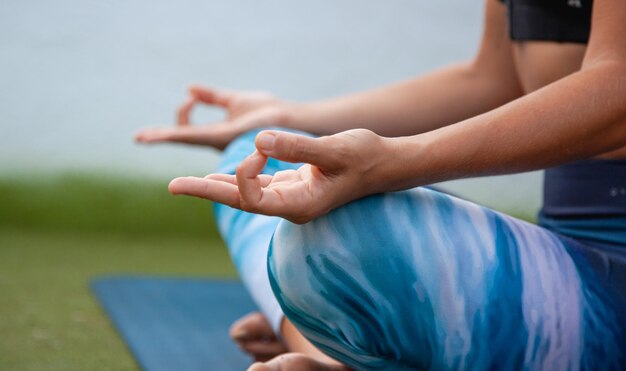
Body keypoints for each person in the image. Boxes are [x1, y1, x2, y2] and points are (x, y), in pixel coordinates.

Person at [136, 0, 626, 369]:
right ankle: (330, 348)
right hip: (570, 252)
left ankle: (335, 342)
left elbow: (618, 90)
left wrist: (393, 162)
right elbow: (493, 78)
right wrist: (285, 120)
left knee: (348, 233)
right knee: (259, 164)